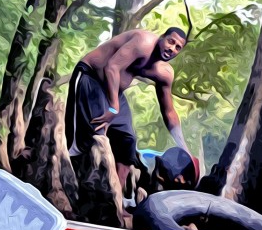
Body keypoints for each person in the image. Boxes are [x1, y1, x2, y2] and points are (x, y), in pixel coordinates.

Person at [65, 27, 191, 196]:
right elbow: (112, 68)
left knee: (128, 141)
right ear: (161, 37)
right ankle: (77, 189)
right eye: (171, 41)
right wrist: (113, 107)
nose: (172, 48)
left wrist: (184, 147)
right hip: (91, 77)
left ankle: (115, 196)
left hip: (115, 93)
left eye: (178, 47)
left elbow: (169, 113)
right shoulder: (143, 42)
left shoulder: (164, 73)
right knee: (94, 138)